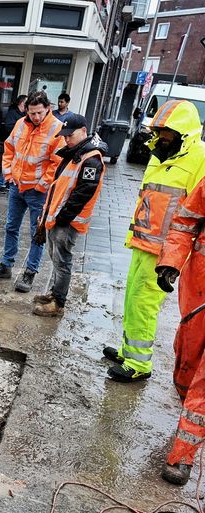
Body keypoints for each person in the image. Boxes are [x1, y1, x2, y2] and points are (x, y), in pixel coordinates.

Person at [102, 100, 205, 383]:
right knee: (132, 297)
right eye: (157, 131)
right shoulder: (161, 155)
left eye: (165, 132)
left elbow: (195, 213)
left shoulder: (199, 158)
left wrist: (175, 261)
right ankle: (128, 350)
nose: (159, 137)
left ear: (182, 133)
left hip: (165, 250)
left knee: (144, 302)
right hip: (143, 243)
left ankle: (139, 364)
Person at [0, 90, 65, 293]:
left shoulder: (56, 129)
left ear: (48, 108)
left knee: (37, 234)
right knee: (11, 227)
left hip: (38, 191)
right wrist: (9, 173)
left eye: (39, 112)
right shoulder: (21, 124)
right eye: (32, 113)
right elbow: (9, 148)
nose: (36, 117)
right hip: (17, 186)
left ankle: (30, 272)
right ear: (26, 111)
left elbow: (58, 162)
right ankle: (6, 264)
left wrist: (42, 184)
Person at [31, 114, 107, 317]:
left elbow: (83, 192)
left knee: (62, 261)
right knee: (56, 259)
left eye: (70, 136)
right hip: (59, 218)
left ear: (83, 131)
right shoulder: (74, 153)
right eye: (64, 136)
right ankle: (55, 294)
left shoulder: (90, 158)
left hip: (68, 221)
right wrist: (47, 215)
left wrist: (62, 218)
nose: (66, 140)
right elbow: (59, 187)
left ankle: (58, 303)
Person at [155, 176, 205, 486]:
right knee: (187, 366)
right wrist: (171, 261)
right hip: (197, 291)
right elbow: (186, 222)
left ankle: (182, 455)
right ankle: (189, 412)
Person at [0, 94, 27, 193]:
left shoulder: (26, 115)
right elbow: (8, 126)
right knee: (9, 160)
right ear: (22, 103)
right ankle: (2, 183)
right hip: (13, 141)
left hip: (21, 144)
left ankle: (10, 182)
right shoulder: (12, 113)